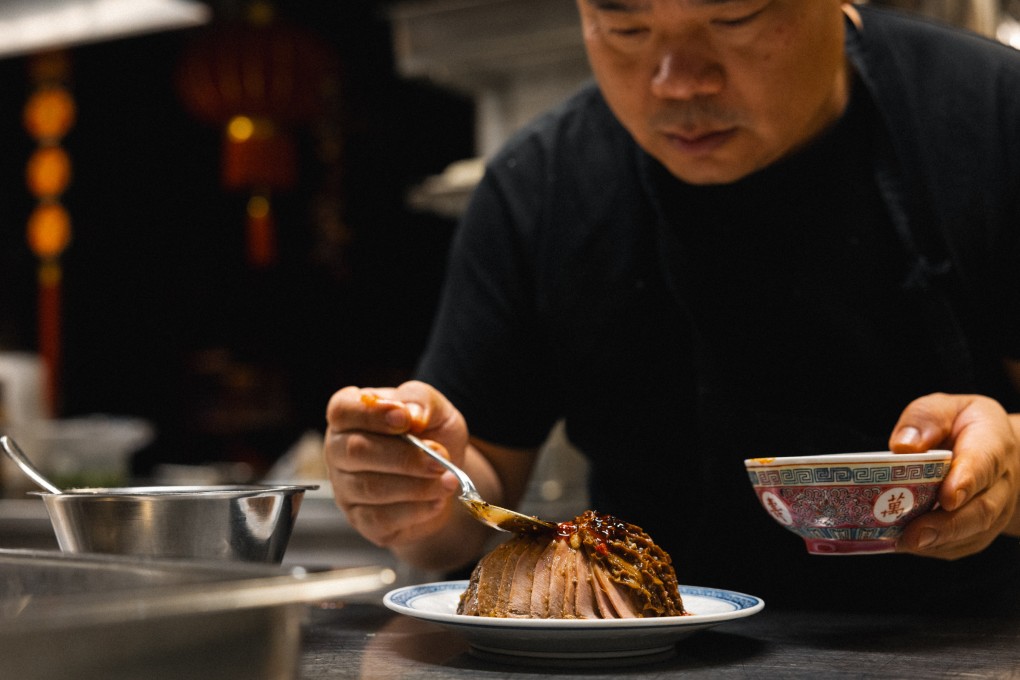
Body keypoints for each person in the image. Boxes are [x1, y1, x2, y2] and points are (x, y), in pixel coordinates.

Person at [325, 1, 1020, 612]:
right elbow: (479, 486)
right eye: (623, 25)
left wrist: (1008, 468)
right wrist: (415, 491)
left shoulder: (992, 114)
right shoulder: (540, 184)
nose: (678, 79)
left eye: (734, 18)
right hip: (650, 654)